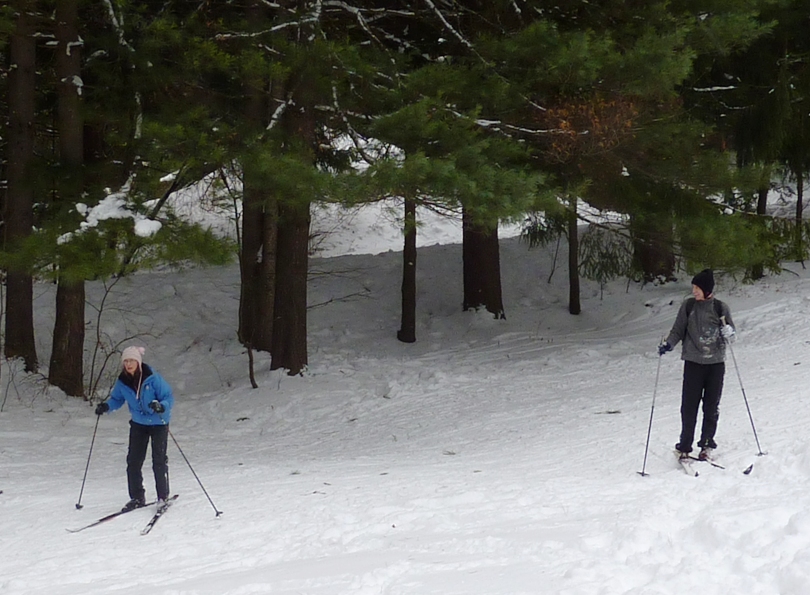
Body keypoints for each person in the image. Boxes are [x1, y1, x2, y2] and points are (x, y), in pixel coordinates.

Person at [658, 269, 736, 461]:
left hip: (715, 364)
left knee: (711, 406)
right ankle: (684, 446)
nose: (694, 291)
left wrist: (728, 332)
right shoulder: (688, 306)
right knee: (688, 406)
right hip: (693, 363)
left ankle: (707, 444)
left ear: (707, 289)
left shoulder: (720, 308)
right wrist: (668, 344)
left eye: (697, 288)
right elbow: (678, 330)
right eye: (693, 287)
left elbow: (731, 333)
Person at [95, 346, 174, 511]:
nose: (129, 364)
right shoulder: (123, 381)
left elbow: (168, 397)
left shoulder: (153, 378)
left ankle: (162, 497)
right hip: (139, 423)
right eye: (126, 361)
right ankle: (137, 497)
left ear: (138, 362)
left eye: (132, 360)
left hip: (158, 423)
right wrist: (106, 407)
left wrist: (161, 406)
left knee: (158, 461)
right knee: (133, 461)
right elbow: (116, 399)